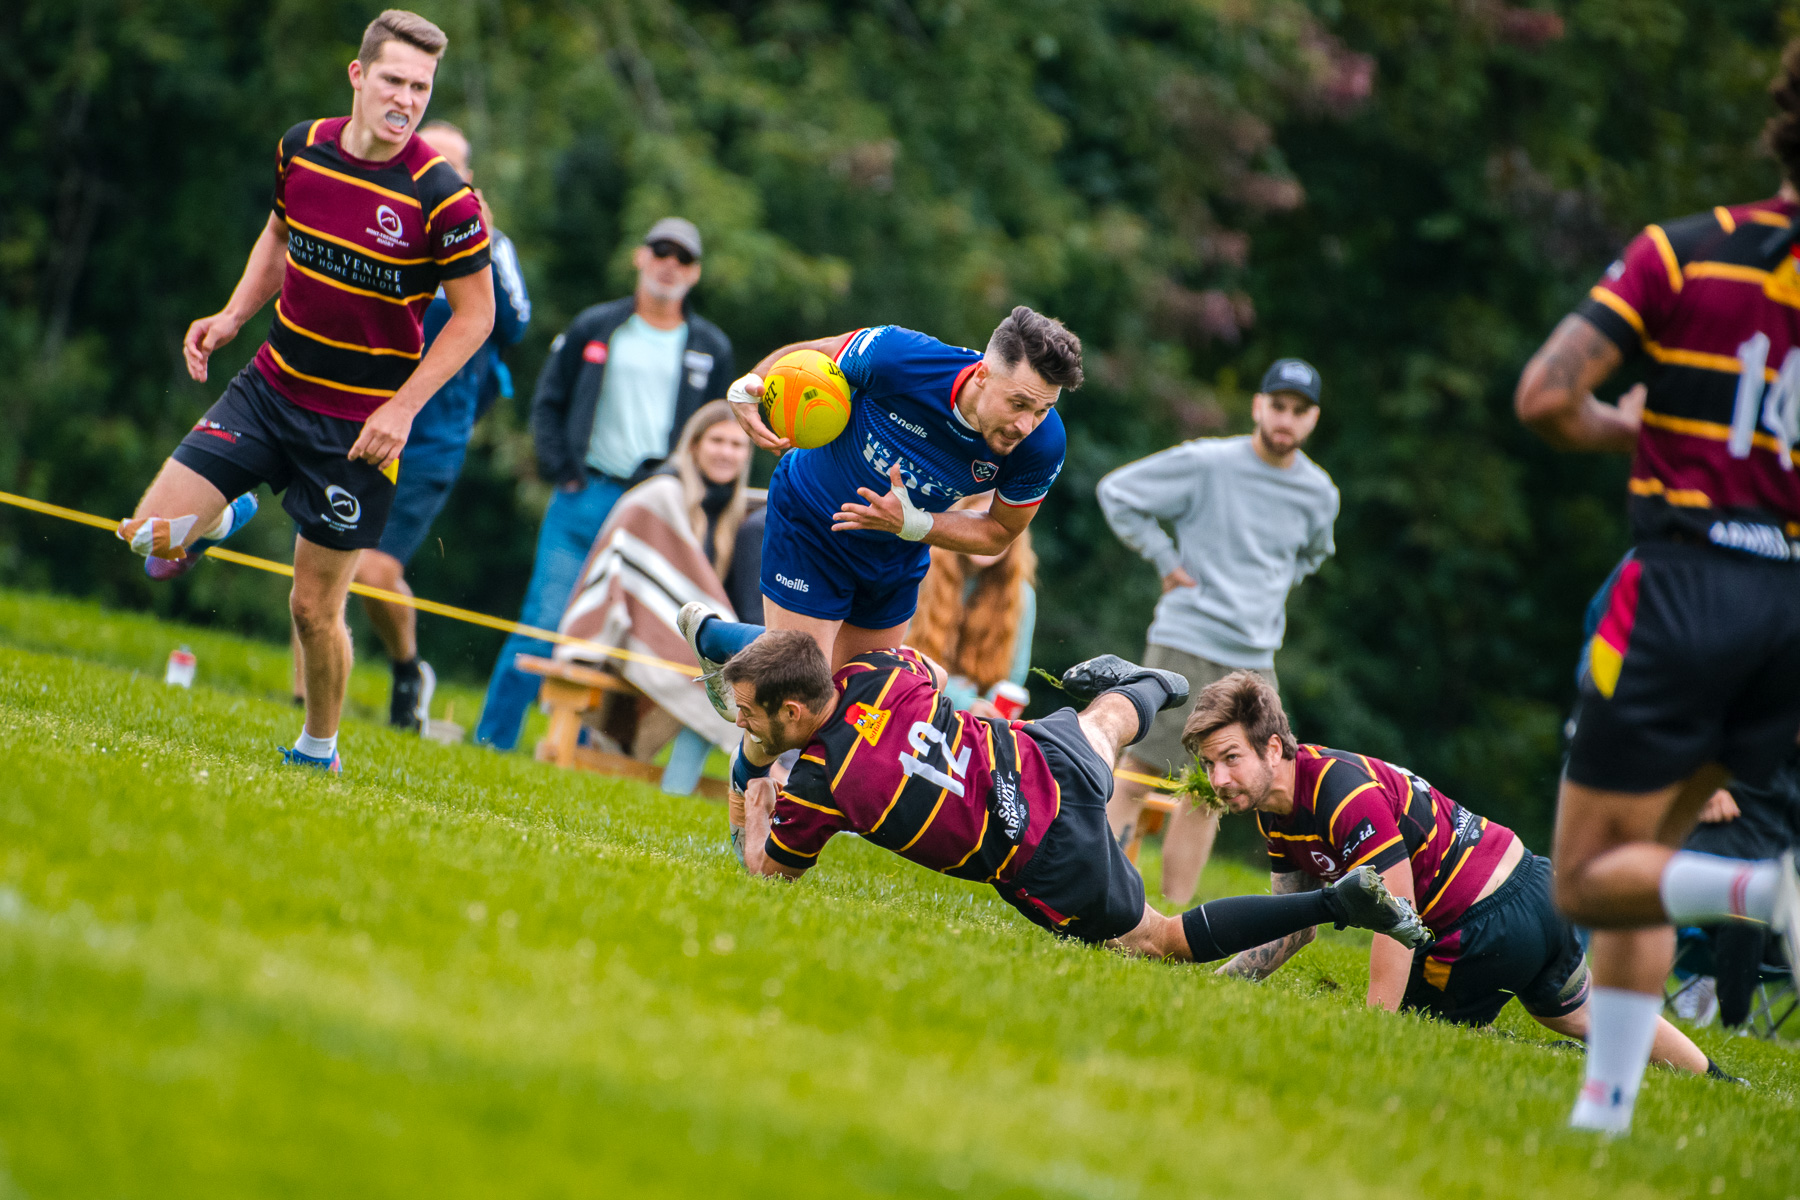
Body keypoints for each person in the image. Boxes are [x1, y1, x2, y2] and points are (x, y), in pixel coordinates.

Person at [1513, 41, 1800, 1133]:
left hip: (1682, 587)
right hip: (1791, 613)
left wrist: (1620, 424)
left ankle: (1764, 895)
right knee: (1649, 855)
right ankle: (1609, 1110)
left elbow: (1545, 396)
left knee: (1589, 878)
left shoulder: (1685, 258)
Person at [116, 10, 493, 773]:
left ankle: (319, 748)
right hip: (270, 387)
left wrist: (403, 407)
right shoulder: (302, 147)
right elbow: (279, 236)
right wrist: (231, 315)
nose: (406, 98)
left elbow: (477, 318)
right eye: (393, 80)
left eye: (420, 87)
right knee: (152, 536)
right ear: (358, 76)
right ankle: (219, 520)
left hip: (355, 429)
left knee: (312, 608)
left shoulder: (443, 198)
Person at [718, 632, 1430, 963]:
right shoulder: (874, 669)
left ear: (793, 713)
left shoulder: (817, 785)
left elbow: (770, 873)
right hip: (1035, 754)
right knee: (1105, 723)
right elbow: (929, 668)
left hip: (1041, 845)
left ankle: (1338, 902)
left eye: (750, 712)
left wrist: (754, 818)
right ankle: (1146, 684)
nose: (743, 724)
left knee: (1159, 940)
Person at [1183, 671, 1722, 1081]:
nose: (1219, 778)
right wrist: (1222, 984)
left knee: (1418, 1029)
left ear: (1273, 747)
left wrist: (1372, 1028)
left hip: (1486, 922)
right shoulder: (1277, 813)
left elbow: (1396, 914)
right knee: (1584, 1014)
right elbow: (1293, 924)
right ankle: (1717, 1079)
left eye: (1230, 758)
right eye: (1209, 765)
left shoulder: (1339, 792)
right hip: (1533, 889)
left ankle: (1560, 1063)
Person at [687, 309, 1079, 710]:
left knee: (859, 700)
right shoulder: (900, 357)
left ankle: (718, 639)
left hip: (896, 550)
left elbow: (999, 531)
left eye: (1043, 409)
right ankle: (753, 773)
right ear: (982, 374)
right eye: (1019, 403)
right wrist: (750, 385)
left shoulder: (1042, 446)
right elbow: (809, 357)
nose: (1026, 425)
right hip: (813, 519)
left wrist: (916, 524)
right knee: (803, 690)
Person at [474, 217, 734, 750]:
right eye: (660, 251)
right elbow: (547, 402)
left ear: (696, 273)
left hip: (660, 506)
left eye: (682, 258)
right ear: (640, 257)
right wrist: (562, 472)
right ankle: (493, 742)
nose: (669, 264)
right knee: (545, 620)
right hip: (584, 495)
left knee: (626, 635)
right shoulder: (597, 325)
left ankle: (590, 752)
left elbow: (723, 431)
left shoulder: (711, 347)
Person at [1096, 357, 1338, 904]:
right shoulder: (1208, 462)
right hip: (1185, 638)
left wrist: (1269, 589)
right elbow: (1118, 492)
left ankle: (1176, 917)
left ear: (1313, 419)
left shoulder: (1320, 494)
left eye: (1300, 411)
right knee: (1137, 772)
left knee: (1212, 790)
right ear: (1258, 405)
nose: (1286, 419)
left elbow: (1314, 554)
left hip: (1254, 658)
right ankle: (1097, 897)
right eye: (1278, 405)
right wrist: (1163, 558)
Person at [351, 118, 531, 731]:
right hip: (356, 411)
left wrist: (475, 239)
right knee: (318, 559)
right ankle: (305, 703)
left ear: (471, 179)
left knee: (374, 571)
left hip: (433, 436)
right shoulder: (380, 225)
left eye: (454, 168)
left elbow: (514, 327)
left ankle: (407, 669)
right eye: (430, 161)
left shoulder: (490, 244)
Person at [553, 401, 764, 792]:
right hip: (631, 633)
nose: (726, 453)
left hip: (679, 640)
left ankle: (676, 791)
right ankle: (677, 791)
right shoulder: (661, 494)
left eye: (737, 445)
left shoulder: (734, 510)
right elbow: (646, 578)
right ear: (694, 444)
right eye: (717, 440)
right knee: (721, 680)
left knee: (725, 680)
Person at [904, 492, 1036, 718]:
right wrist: (962, 700)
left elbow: (1012, 679)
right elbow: (897, 649)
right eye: (979, 520)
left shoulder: (1020, 595)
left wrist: (987, 707)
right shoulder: (920, 567)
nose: (988, 532)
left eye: (1000, 525)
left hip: (971, 722)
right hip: (911, 699)